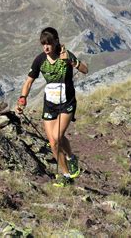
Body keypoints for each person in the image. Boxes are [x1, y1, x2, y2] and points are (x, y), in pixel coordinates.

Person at [16, 27, 88, 187]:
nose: (46, 48)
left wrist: (72, 62)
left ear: (56, 42)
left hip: (67, 102)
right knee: (54, 142)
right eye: (43, 45)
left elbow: (85, 69)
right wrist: (22, 99)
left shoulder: (66, 55)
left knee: (57, 137)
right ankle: (66, 174)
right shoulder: (40, 60)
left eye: (49, 44)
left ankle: (70, 159)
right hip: (50, 104)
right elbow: (29, 81)